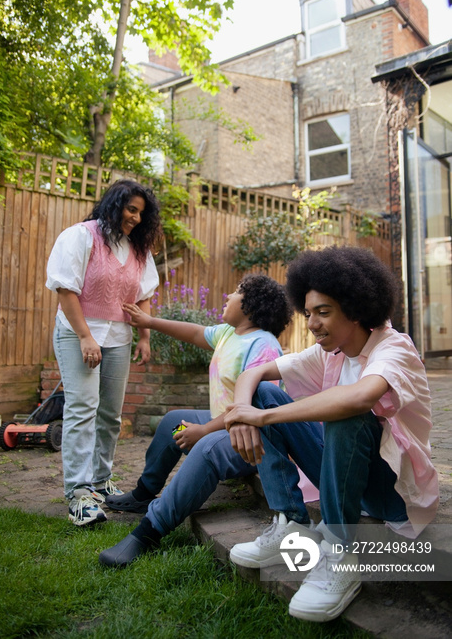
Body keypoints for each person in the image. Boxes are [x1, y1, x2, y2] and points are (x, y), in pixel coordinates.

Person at [224, 246, 439, 623]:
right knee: (263, 392)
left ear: (355, 309)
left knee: (346, 413)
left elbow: (359, 397)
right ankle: (292, 521)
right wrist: (243, 415)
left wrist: (264, 418)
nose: (312, 323)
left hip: (392, 491)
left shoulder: (395, 348)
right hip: (344, 469)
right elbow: (251, 375)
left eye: (324, 312)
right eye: (308, 313)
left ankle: (340, 554)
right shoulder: (331, 353)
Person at [98, 274, 293, 567]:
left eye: (238, 291)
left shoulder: (263, 345)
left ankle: (149, 532)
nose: (229, 294)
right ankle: (144, 494)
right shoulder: (229, 334)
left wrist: (203, 431)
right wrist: (149, 322)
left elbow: (252, 406)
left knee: (207, 449)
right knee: (173, 423)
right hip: (220, 425)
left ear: (252, 306)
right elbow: (193, 333)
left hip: (250, 442)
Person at [46, 179, 161, 526]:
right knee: (83, 408)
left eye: (142, 213)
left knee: (110, 414)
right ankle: (79, 494)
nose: (137, 219)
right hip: (77, 334)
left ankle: (100, 480)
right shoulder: (80, 236)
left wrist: (144, 337)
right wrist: (84, 336)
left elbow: (143, 297)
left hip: (118, 337)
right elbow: (66, 290)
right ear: (115, 204)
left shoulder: (138, 250)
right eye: (131, 209)